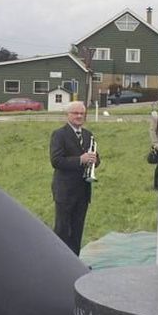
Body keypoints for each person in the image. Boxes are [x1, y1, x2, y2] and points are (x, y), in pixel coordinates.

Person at [49, 101, 98, 254]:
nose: (79, 116)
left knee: (77, 230)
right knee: (62, 230)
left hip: (83, 191)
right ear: (67, 115)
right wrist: (80, 160)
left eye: (82, 113)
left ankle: (75, 261)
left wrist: (94, 160)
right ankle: (59, 263)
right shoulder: (59, 134)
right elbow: (56, 161)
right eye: (75, 113)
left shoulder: (88, 134)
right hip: (65, 191)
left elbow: (96, 159)